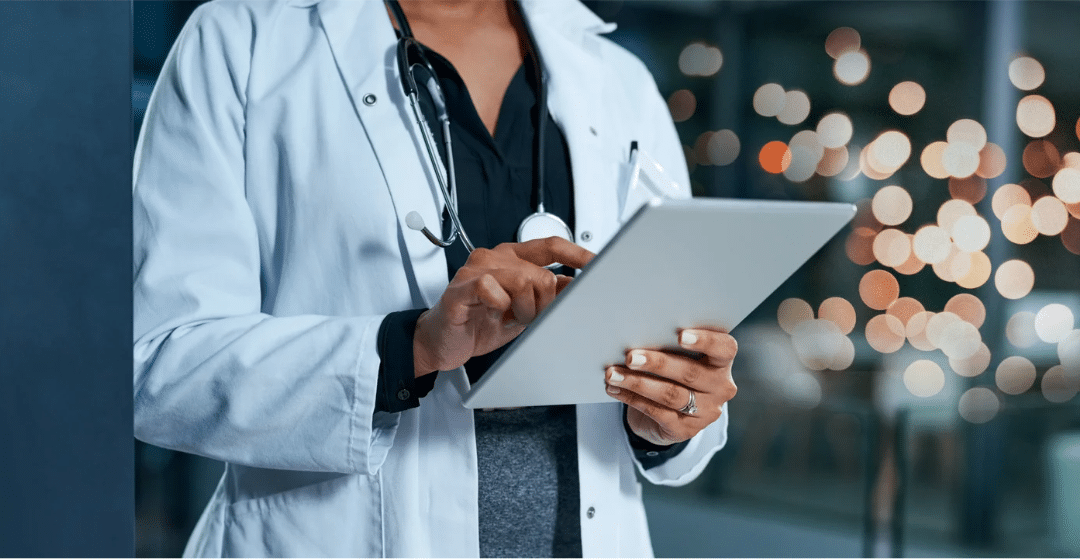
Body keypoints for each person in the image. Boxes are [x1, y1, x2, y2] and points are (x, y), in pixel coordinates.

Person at [132, 0, 738, 556]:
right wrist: (411, 348)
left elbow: (675, 381)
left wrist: (672, 413)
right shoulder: (244, 42)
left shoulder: (618, 79)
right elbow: (157, 362)